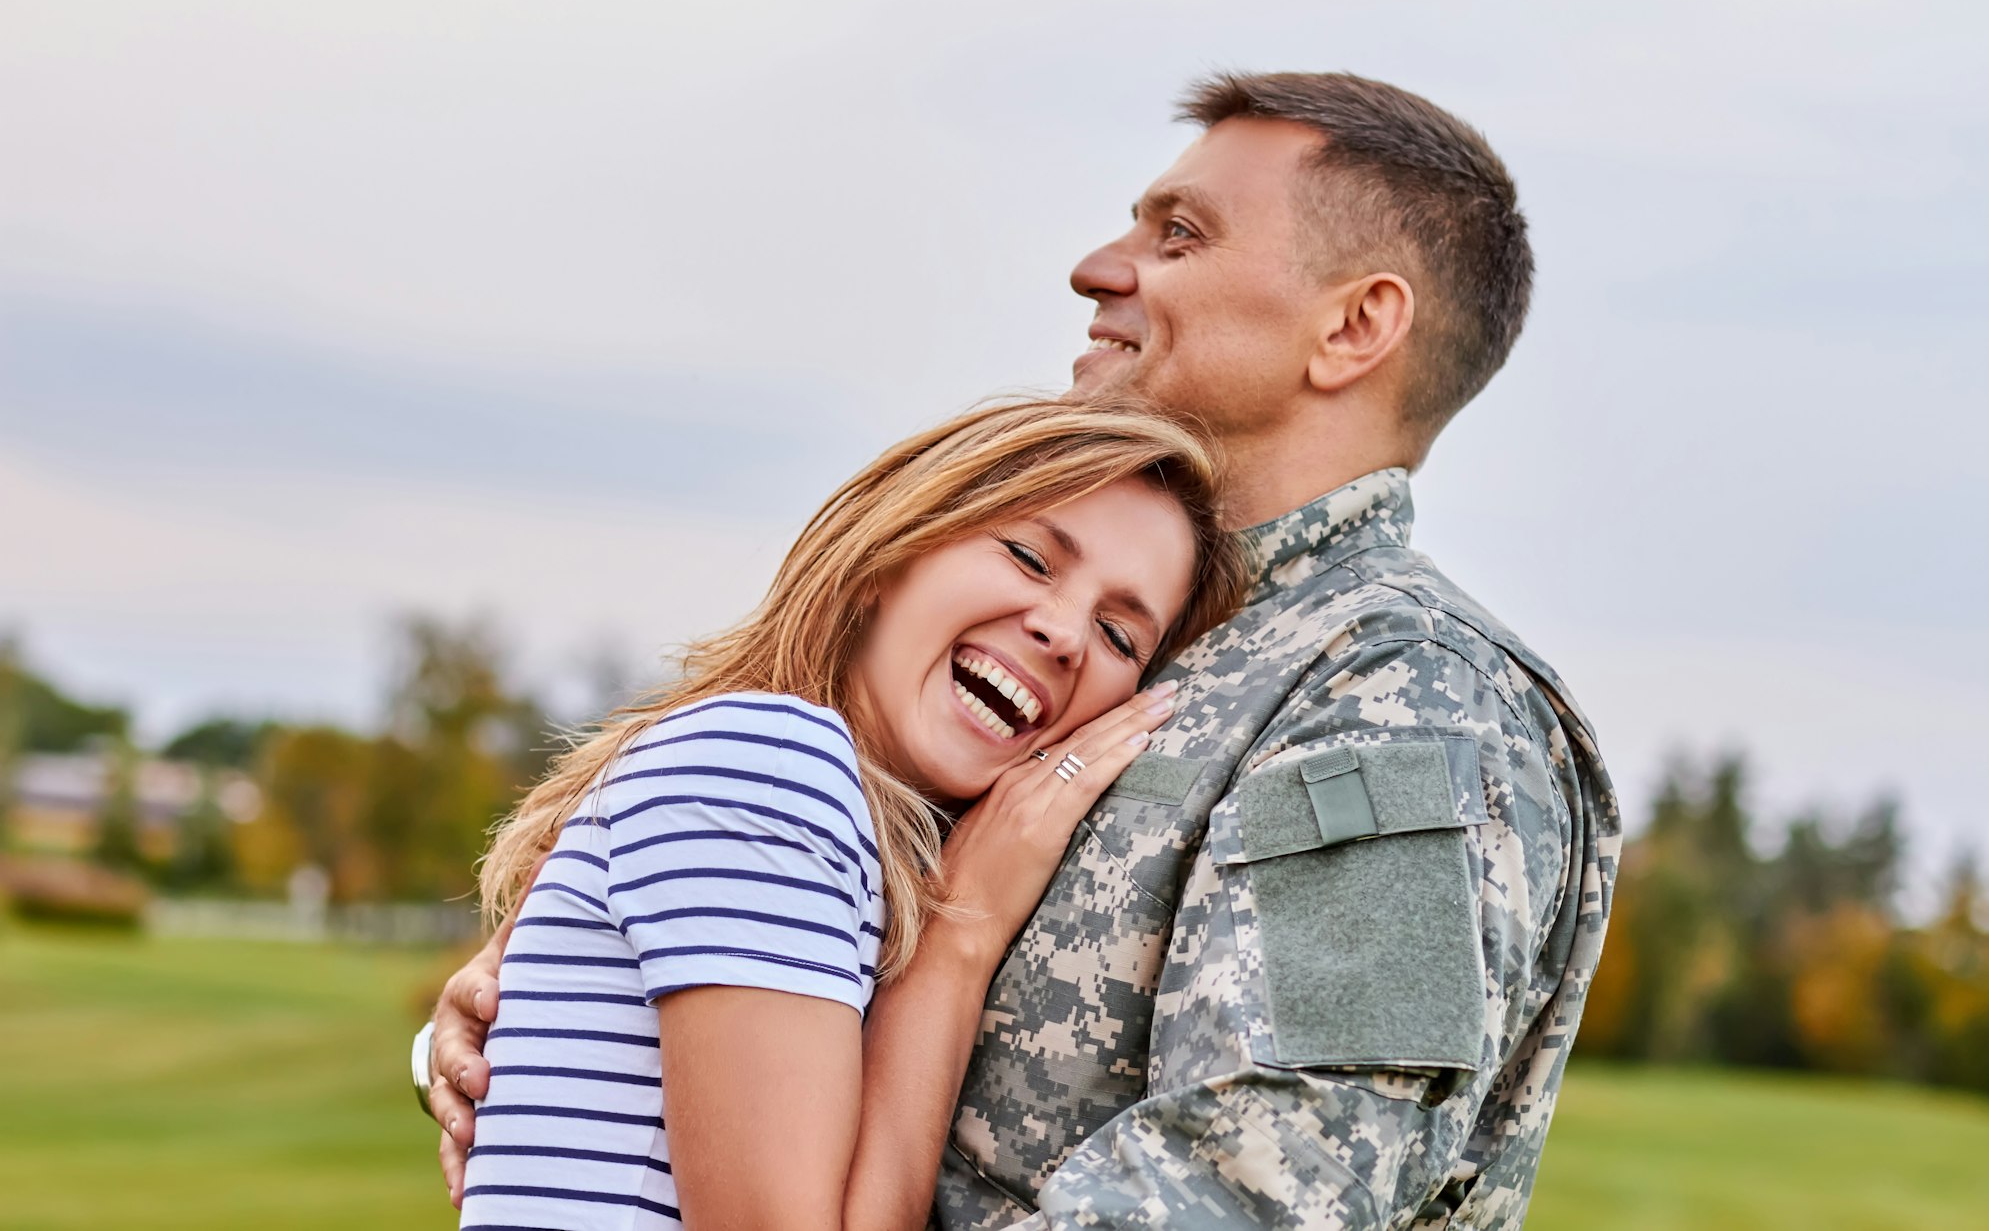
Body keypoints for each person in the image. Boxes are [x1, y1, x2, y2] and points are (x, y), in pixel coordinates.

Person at [425, 70, 1622, 1229]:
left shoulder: (1401, 697)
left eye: (1181, 234)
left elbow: (1265, 1186)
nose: (1096, 267)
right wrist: (560, 1007)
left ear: (1354, 324)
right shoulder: (1110, 651)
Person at [452, 398, 1249, 1229]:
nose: (1064, 634)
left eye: (1120, 636)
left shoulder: (808, 803)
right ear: (886, 555)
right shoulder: (773, 762)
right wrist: (959, 940)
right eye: (1028, 557)